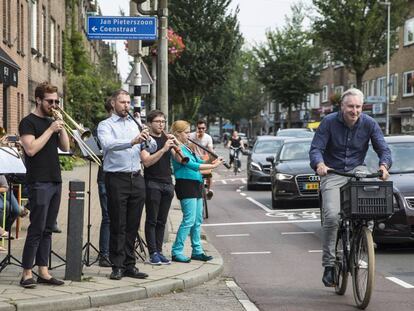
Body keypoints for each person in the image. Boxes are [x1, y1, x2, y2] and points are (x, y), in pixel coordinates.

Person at [309, 88, 392, 287]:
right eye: (350, 107)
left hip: (357, 170)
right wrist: (319, 164)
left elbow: (383, 148)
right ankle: (329, 266)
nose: (354, 111)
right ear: (342, 107)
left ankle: (365, 240)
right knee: (331, 215)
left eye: (358, 107)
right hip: (333, 172)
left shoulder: (369, 123)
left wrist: (384, 165)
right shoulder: (329, 122)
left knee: (371, 203)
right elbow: (316, 148)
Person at [97, 89, 157, 280]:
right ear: (113, 103)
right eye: (122, 102)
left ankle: (130, 265)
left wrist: (148, 140)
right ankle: (117, 265)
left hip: (136, 177)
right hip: (116, 178)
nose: (126, 106)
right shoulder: (105, 125)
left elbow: (151, 146)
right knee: (118, 223)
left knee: (133, 224)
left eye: (128, 102)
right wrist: (132, 141)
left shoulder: (135, 123)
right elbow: (107, 145)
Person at [18, 81, 70, 288]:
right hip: (39, 180)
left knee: (48, 228)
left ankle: (44, 271)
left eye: (57, 101)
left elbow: (65, 147)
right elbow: (30, 149)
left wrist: (61, 125)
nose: (54, 105)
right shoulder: (28, 122)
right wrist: (50, 129)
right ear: (38, 100)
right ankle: (26, 273)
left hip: (55, 179)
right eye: (50, 101)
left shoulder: (53, 120)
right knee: (36, 228)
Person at [170, 120, 223, 263]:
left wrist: (212, 160)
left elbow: (200, 162)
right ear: (177, 134)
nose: (189, 135)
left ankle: (197, 250)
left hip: (197, 183)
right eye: (186, 133)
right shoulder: (176, 149)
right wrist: (214, 166)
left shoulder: (187, 148)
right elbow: (192, 166)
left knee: (197, 220)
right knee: (189, 220)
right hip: (186, 185)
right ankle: (176, 251)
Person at [141, 110, 176, 265]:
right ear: (150, 123)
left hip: (168, 183)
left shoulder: (167, 138)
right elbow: (146, 162)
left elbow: (180, 159)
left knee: (162, 220)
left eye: (163, 121)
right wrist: (163, 149)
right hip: (152, 183)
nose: (161, 124)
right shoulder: (146, 139)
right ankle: (152, 252)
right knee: (152, 220)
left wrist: (178, 144)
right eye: (158, 121)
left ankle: (160, 251)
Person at [96, 98, 113, 268]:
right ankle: (105, 254)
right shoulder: (104, 126)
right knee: (108, 216)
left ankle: (114, 251)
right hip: (105, 175)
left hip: (121, 176)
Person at [189, 120, 215, 199]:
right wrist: (196, 139)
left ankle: (209, 190)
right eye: (199, 128)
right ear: (196, 128)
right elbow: (189, 147)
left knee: (209, 173)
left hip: (204, 158)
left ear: (205, 129)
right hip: (194, 157)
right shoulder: (191, 136)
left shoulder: (208, 137)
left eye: (203, 128)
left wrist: (212, 155)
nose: (201, 130)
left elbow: (210, 149)